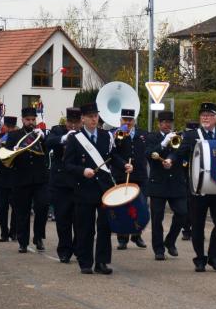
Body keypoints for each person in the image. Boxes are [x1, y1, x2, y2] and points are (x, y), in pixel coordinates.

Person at [64, 102, 130, 274]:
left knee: (105, 226)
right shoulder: (74, 139)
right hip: (84, 188)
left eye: (96, 116)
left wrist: (124, 165)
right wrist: (82, 170)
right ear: (83, 119)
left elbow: (113, 156)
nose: (94, 119)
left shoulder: (106, 136)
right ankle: (85, 262)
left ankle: (102, 262)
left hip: (104, 188)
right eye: (91, 117)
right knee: (85, 227)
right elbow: (68, 164)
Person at [174, 102, 216, 272]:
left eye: (209, 115)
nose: (205, 117)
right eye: (203, 115)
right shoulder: (192, 136)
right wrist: (171, 160)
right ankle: (199, 258)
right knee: (197, 225)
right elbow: (180, 153)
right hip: (198, 188)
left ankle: (215, 256)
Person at [5, 107, 49, 253]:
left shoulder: (40, 135)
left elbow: (48, 151)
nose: (31, 122)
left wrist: (43, 138)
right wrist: (15, 149)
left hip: (39, 179)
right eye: (28, 120)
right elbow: (7, 156)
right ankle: (23, 242)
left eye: (33, 119)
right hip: (21, 179)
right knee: (22, 212)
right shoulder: (14, 135)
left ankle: (38, 237)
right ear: (23, 119)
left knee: (42, 208)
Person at [145, 111, 188, 260]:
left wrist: (170, 159)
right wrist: (163, 144)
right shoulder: (152, 137)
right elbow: (149, 153)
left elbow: (181, 152)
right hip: (158, 184)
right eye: (164, 122)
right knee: (157, 218)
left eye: (169, 122)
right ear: (159, 124)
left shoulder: (178, 137)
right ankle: (159, 249)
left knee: (182, 213)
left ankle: (170, 241)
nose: (167, 124)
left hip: (176, 182)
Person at [46, 107, 82, 263]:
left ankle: (79, 248)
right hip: (61, 183)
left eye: (76, 123)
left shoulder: (84, 134)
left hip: (79, 183)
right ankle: (64, 250)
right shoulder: (57, 130)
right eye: (70, 122)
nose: (73, 126)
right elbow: (48, 142)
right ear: (66, 122)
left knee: (80, 220)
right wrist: (64, 138)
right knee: (63, 219)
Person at [113, 108, 148, 250]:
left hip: (140, 175)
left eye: (130, 120)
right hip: (123, 175)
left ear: (134, 120)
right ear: (120, 120)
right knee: (123, 207)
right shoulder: (116, 134)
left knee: (140, 206)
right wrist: (120, 133)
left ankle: (137, 235)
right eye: (125, 120)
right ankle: (123, 238)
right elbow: (114, 149)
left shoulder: (143, 134)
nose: (127, 122)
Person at [0, 116, 17, 241]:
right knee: (2, 208)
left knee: (16, 207)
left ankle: (13, 231)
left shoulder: (18, 139)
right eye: (8, 127)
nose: (9, 129)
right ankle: (4, 233)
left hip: (14, 178)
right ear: (4, 127)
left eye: (12, 127)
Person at [181, 120, 199, 241]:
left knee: (196, 204)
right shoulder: (182, 137)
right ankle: (186, 229)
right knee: (187, 203)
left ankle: (196, 228)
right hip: (184, 174)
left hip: (196, 174)